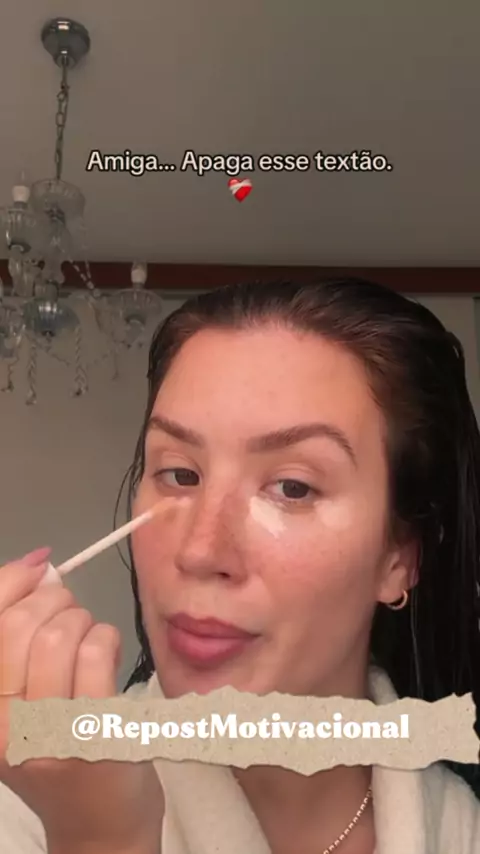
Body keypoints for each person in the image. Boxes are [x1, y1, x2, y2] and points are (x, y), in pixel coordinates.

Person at [0, 277, 479, 854]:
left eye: (293, 487)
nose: (200, 552)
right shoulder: (24, 810)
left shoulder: (463, 831)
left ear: (399, 557)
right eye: (180, 474)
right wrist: (96, 834)